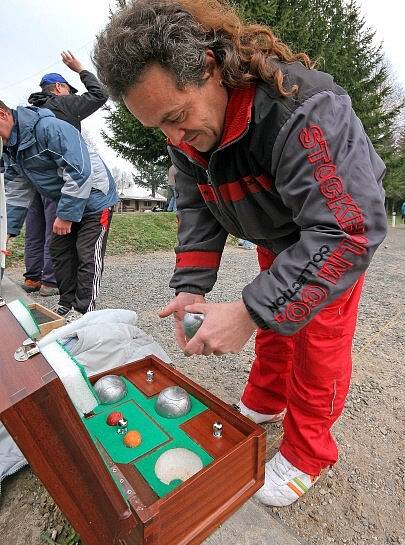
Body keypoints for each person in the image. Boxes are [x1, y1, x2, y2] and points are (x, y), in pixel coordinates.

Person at [93, 0, 387, 506]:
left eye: (177, 118)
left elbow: (348, 230)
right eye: (157, 127)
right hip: (278, 237)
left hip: (330, 239)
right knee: (273, 325)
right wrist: (191, 286)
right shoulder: (184, 128)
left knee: (318, 343)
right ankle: (265, 402)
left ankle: (309, 452)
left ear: (209, 68)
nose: (173, 138)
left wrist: (250, 310)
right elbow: (196, 203)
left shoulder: (302, 110)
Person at [0, 100, 118, 322]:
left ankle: (84, 311)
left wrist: (65, 215)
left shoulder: (50, 128)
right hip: (68, 198)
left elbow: (78, 170)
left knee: (87, 252)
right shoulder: (11, 148)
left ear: (2, 115)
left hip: (95, 196)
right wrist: (7, 232)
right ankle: (66, 303)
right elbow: (16, 190)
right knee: (59, 250)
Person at [22, 51, 109, 297]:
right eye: (69, 89)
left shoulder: (31, 112)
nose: (72, 94)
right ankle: (51, 280)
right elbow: (99, 95)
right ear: (59, 88)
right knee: (56, 226)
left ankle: (32, 278)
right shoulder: (63, 103)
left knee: (35, 227)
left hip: (32, 179)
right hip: (56, 177)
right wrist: (80, 69)